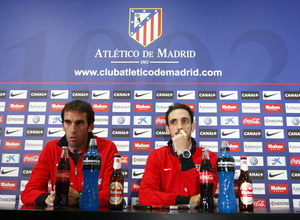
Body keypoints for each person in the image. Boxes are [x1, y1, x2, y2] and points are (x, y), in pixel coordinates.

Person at [21, 100, 118, 207]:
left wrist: (79, 197)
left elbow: (113, 194)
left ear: (90, 126)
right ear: (63, 125)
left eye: (79, 123)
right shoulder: (51, 149)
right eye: (68, 122)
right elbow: (29, 192)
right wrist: (48, 198)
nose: (72, 130)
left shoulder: (107, 148)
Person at [139, 103, 219, 206]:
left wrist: (184, 154)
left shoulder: (208, 157)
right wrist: (187, 201)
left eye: (185, 121)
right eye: (173, 122)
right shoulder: (157, 156)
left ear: (192, 127)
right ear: (167, 129)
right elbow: (145, 197)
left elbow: (203, 198)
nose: (180, 127)